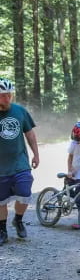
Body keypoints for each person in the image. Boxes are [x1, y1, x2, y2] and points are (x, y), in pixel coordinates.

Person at [0, 78, 40, 245]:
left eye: (9, 95)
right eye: (3, 95)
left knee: (24, 192)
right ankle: (2, 229)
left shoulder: (20, 111)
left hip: (19, 162)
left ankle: (18, 219)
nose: (7, 98)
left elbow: (30, 134)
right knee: (1, 200)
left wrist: (36, 155)